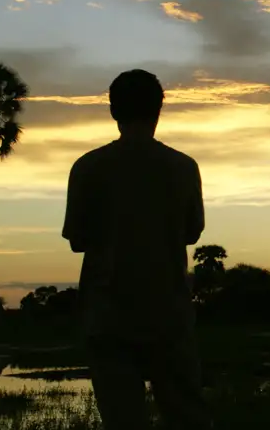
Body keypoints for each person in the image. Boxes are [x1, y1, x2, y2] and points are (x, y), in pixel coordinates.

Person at [62, 69, 211, 430]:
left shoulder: (87, 167)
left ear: (113, 111)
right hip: (168, 316)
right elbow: (192, 233)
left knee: (122, 421)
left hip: (108, 317)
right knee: (187, 418)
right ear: (159, 110)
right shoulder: (182, 167)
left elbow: (77, 239)